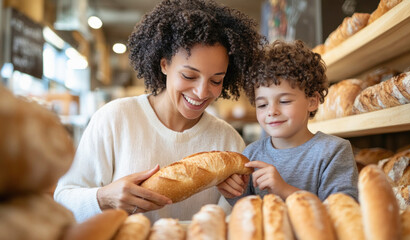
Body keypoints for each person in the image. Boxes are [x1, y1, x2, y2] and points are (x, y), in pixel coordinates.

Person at [54, 0, 265, 223]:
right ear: (164, 65)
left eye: (216, 80)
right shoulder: (115, 118)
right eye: (189, 76)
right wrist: (104, 197)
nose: (202, 92)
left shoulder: (228, 141)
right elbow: (63, 199)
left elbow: (235, 222)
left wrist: (236, 197)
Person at [218, 40, 358, 205]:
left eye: (284, 101)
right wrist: (232, 192)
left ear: (312, 101)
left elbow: (343, 210)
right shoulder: (251, 154)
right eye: (262, 105)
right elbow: (247, 209)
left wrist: (284, 190)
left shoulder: (334, 151)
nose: (272, 111)